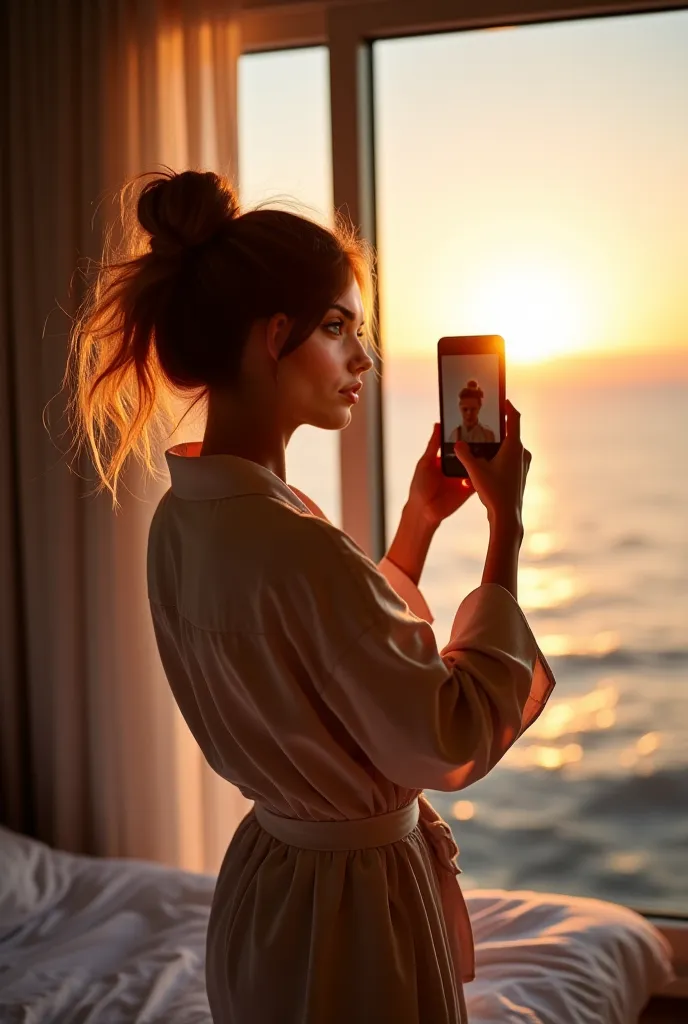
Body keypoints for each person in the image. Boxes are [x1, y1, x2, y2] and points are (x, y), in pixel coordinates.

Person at [64, 168, 555, 1024]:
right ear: (275, 335)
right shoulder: (290, 544)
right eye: (340, 329)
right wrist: (506, 526)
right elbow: (450, 734)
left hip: (269, 892)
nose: (362, 357)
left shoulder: (189, 520)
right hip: (351, 914)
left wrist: (416, 526)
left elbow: (326, 665)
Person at [448, 379, 497, 443]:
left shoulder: (488, 435)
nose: (469, 413)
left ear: (479, 407)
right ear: (460, 408)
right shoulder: (454, 435)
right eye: (465, 409)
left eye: (473, 409)